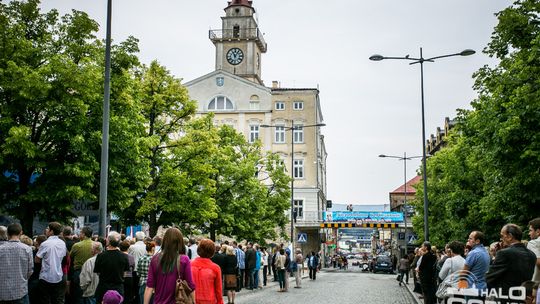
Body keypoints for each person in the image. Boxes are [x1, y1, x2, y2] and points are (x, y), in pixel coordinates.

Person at [144, 228, 194, 304]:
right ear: (180, 241)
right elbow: (190, 285)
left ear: (165, 240)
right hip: (178, 301)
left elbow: (149, 286)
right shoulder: (184, 259)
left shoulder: (155, 259)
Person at [486, 224, 536, 298]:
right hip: (524, 297)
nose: (501, 239)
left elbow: (490, 277)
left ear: (509, 236)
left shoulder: (504, 253)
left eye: (502, 236)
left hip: (505, 297)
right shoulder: (532, 254)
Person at [0, 223, 34, 304]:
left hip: (3, 292)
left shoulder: (0, 249)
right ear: (21, 232)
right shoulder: (27, 249)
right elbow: (30, 271)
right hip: (20, 291)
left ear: (7, 233)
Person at [36, 222, 68, 304]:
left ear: (51, 231)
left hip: (45, 276)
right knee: (57, 300)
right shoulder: (62, 243)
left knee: (45, 300)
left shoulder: (45, 244)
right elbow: (63, 257)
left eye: (48, 228)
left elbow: (37, 259)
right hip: (58, 276)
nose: (46, 230)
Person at [94, 231, 130, 303]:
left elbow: (97, 272)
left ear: (108, 241)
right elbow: (126, 273)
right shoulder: (124, 256)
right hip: (118, 288)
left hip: (103, 287)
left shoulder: (101, 256)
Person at [190, 239, 224, 304]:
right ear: (212, 251)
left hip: (192, 299)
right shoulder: (215, 268)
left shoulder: (190, 264)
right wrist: (220, 302)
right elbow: (218, 290)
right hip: (209, 300)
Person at [71, 226, 95, 304]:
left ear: (84, 234)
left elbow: (70, 257)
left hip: (79, 271)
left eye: (80, 233)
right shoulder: (96, 245)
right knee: (91, 293)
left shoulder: (77, 245)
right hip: (93, 272)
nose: (79, 234)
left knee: (78, 294)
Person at [528, 217, 540, 282]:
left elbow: (538, 262)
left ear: (538, 232)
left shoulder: (533, 243)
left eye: (530, 230)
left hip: (537, 284)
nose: (529, 233)